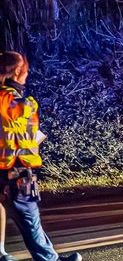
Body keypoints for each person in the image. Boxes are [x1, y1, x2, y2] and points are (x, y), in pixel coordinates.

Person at [0, 52, 81, 261]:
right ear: (17, 71)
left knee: (29, 222)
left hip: (9, 171)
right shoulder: (22, 103)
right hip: (17, 171)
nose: (27, 75)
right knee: (30, 221)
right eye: (25, 70)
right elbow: (26, 137)